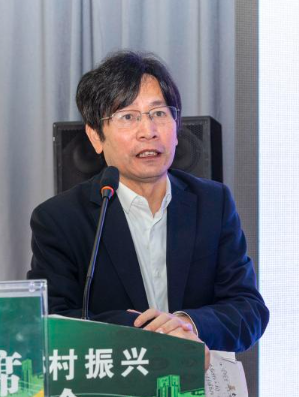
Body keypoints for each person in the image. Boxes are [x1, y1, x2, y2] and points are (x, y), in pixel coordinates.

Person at [27, 50, 268, 359]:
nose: (148, 131)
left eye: (159, 113)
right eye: (128, 117)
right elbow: (51, 323)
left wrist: (186, 324)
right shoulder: (60, 219)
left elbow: (248, 309)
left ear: (176, 127)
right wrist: (148, 333)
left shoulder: (212, 203)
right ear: (96, 136)